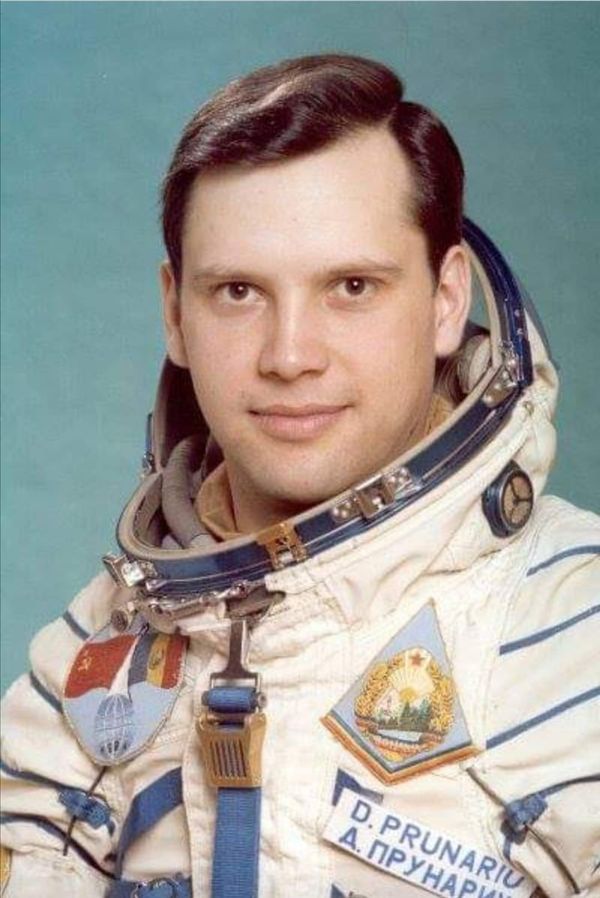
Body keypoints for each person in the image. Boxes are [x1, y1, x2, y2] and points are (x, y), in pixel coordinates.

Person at [1, 53, 598, 898]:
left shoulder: (577, 644)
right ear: (175, 312)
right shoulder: (91, 660)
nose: (289, 356)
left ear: (445, 299)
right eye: (238, 292)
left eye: (352, 286)